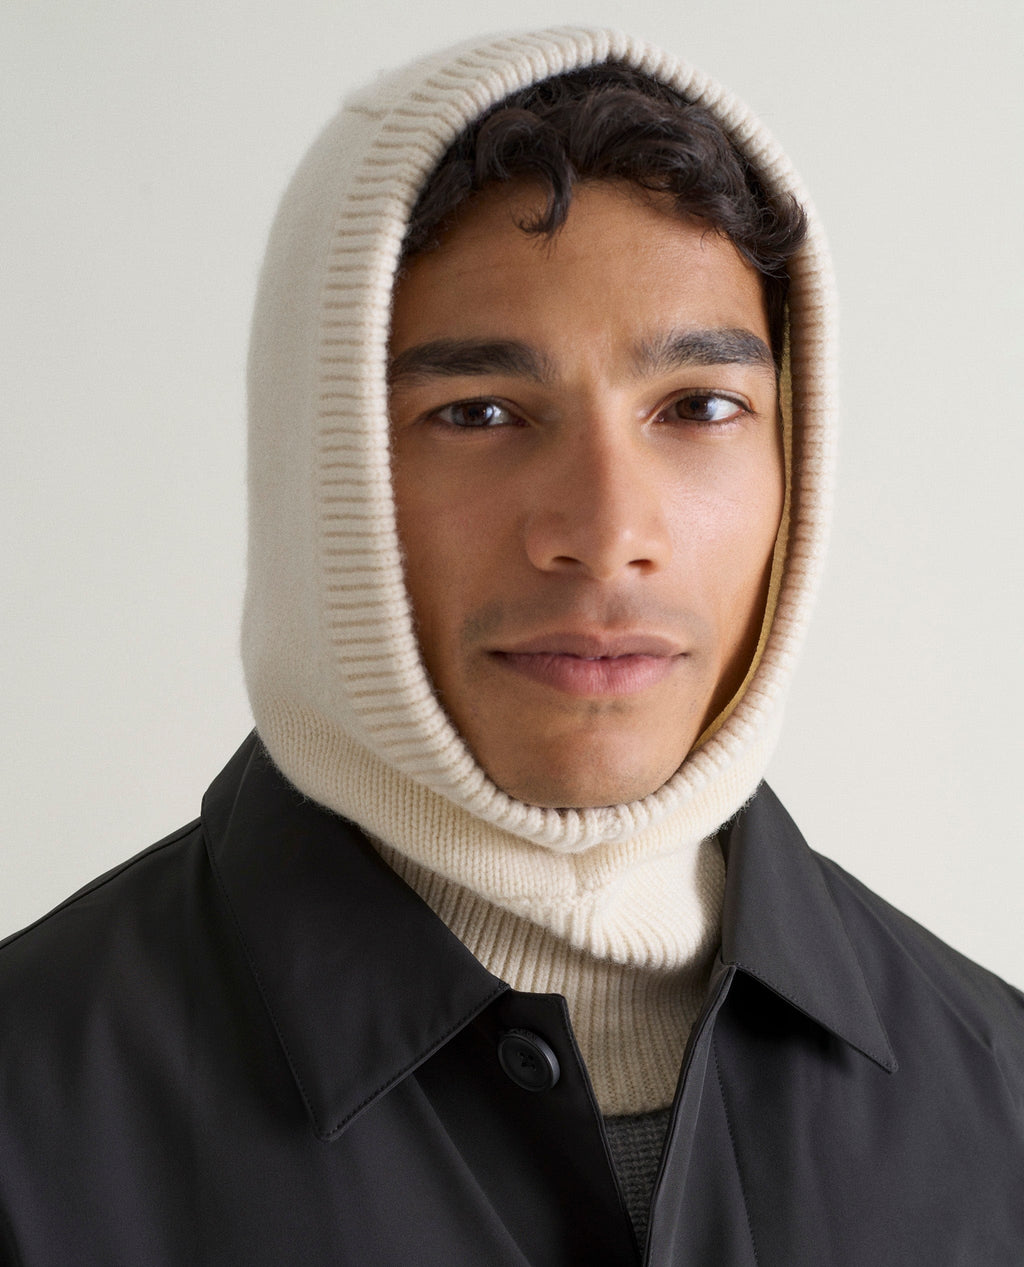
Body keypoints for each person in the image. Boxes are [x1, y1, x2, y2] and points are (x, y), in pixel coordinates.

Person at [1, 26, 1021, 1266]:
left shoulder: (997, 1093)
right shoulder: (31, 1109)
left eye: (699, 407)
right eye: (478, 412)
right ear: (322, 465)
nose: (605, 533)